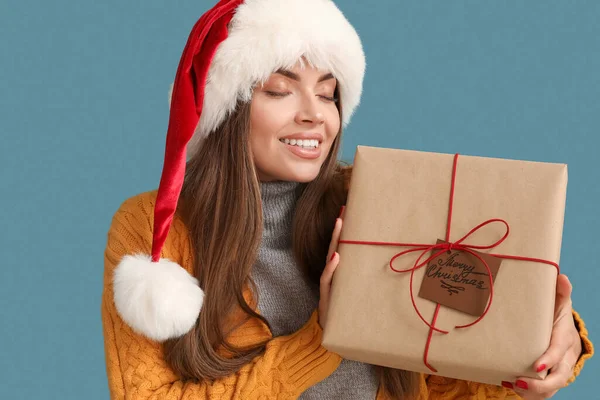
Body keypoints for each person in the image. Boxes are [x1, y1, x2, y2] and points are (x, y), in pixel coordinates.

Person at [101, 0, 593, 398]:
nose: (315, 115)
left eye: (329, 93)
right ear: (226, 109)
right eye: (279, 90)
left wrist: (537, 345)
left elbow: (445, 376)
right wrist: (322, 338)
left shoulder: (374, 199)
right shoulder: (154, 229)